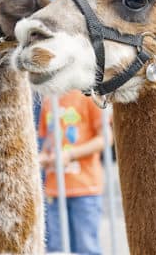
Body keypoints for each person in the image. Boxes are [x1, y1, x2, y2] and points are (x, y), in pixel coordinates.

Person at [38, 90, 111, 255]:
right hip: (54, 191)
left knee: (87, 249)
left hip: (85, 189)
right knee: (57, 249)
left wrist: (70, 154)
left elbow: (106, 137)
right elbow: (48, 141)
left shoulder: (88, 96)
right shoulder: (48, 99)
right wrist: (42, 157)